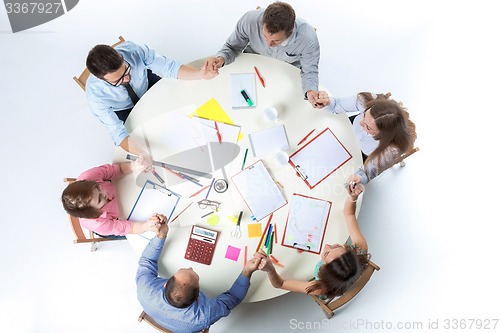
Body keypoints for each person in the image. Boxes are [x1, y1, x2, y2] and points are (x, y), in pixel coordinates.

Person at [85, 40, 218, 168]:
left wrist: (200, 74)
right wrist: (142, 154)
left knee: (183, 107)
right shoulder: (95, 95)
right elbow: (117, 133)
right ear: (100, 79)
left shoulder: (134, 50)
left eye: (126, 70)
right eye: (118, 80)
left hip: (148, 84)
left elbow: (169, 67)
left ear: (120, 56)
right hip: (125, 110)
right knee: (153, 139)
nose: (126, 79)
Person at [136, 215, 261, 333]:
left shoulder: (144, 288)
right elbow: (233, 298)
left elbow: (147, 260)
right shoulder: (204, 316)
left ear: (165, 284)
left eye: (184, 269)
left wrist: (161, 235)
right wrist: (247, 271)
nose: (190, 267)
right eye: (196, 276)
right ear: (197, 298)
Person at [255, 184, 369, 299]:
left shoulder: (320, 288)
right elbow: (349, 214)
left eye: (327, 253)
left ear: (323, 269)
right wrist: (353, 197)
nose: (327, 245)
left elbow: (280, 284)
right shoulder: (359, 249)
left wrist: (270, 270)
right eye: (337, 246)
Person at [205, 2, 321, 108]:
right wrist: (221, 59)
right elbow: (232, 47)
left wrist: (310, 91)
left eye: (276, 41)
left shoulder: (308, 39)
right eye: (265, 36)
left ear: (290, 32)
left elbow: (309, 71)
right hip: (253, 59)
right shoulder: (249, 21)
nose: (269, 44)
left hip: (285, 68)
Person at [316, 92, 417, 184]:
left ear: (382, 136)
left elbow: (366, 172)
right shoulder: (366, 100)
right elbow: (335, 104)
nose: (360, 123)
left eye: (368, 127)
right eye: (364, 115)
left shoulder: (390, 150)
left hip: (363, 155)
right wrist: (327, 102)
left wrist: (359, 178)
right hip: (347, 131)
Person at [61, 163, 157, 237]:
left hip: (123, 191)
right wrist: (147, 225)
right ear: (94, 212)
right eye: (99, 199)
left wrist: (134, 166)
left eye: (98, 188)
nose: (104, 193)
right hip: (114, 221)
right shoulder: (99, 224)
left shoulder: (88, 176)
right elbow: (129, 228)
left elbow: (116, 169)